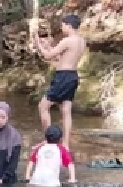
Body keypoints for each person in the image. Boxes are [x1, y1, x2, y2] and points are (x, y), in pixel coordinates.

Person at [33, 14, 87, 149]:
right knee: (66, 110)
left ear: (69, 26)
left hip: (62, 76)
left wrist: (37, 42)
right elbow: (61, 59)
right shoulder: (81, 41)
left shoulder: (67, 41)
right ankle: (66, 144)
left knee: (43, 106)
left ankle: (49, 140)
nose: (62, 28)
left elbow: (47, 56)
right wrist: (48, 46)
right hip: (73, 76)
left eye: (63, 25)